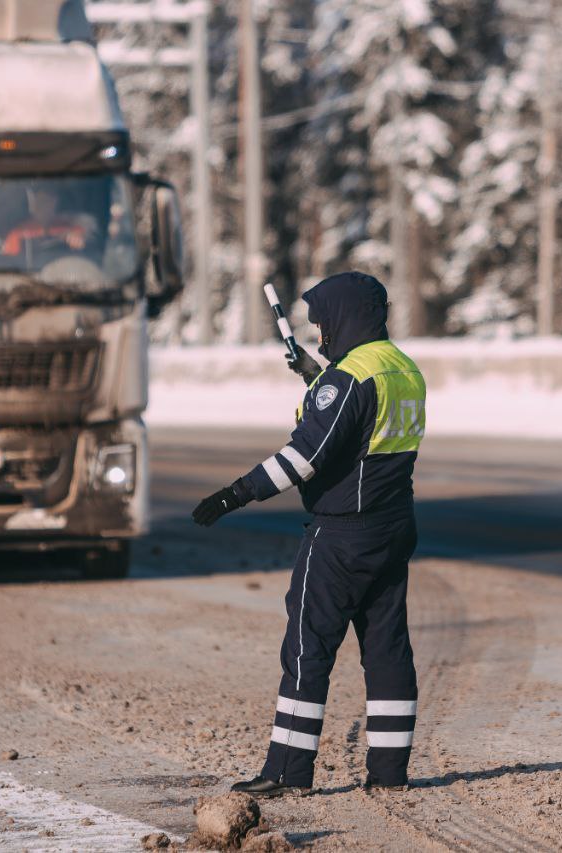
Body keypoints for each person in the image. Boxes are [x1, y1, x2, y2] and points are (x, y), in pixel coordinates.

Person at [192, 271, 427, 797]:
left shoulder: (347, 380)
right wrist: (318, 376)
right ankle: (390, 773)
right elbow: (363, 429)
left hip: (342, 535)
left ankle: (286, 771)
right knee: (388, 649)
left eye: (323, 322)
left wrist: (234, 495)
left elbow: (305, 458)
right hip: (393, 528)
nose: (318, 332)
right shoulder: (402, 368)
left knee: (307, 647)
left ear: (344, 317)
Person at [0, 183, 95, 257]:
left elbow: (85, 246)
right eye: (41, 201)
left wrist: (78, 241)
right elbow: (9, 265)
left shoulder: (71, 229)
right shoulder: (18, 233)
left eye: (50, 200)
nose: (45, 206)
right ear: (33, 203)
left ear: (56, 202)